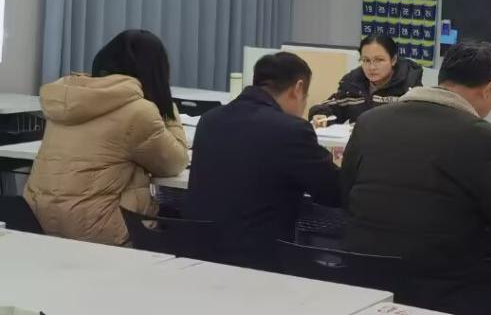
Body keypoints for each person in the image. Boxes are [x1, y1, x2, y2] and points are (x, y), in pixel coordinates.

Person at [338, 40, 491, 315]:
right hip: (441, 293)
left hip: (363, 281)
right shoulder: (483, 137)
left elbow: (346, 195)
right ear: (490, 88)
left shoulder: (369, 122)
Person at [24, 30, 188, 246]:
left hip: (37, 220)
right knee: (181, 218)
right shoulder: (138, 111)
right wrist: (168, 109)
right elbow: (174, 163)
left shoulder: (68, 99)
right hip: (99, 228)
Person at [186, 52, 341, 270]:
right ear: (298, 88)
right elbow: (333, 191)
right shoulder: (291, 130)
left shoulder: (210, 119)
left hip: (199, 254)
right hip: (258, 261)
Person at [308, 33, 423, 125]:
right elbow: (329, 106)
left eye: (379, 60)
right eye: (366, 60)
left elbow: (418, 122)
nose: (372, 67)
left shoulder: (409, 89)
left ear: (393, 60)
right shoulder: (353, 85)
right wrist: (320, 115)